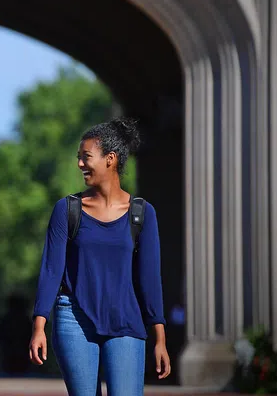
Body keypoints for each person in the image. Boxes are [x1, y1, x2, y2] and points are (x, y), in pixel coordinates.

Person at [28, 118, 171, 396]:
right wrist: (39, 326)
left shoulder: (141, 213)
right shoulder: (67, 210)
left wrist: (160, 339)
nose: (80, 164)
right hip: (74, 319)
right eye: (78, 158)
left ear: (110, 159)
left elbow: (150, 278)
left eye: (86, 157)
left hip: (126, 320)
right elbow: (51, 271)